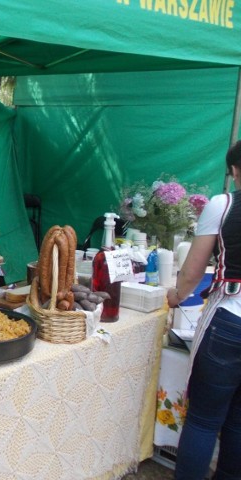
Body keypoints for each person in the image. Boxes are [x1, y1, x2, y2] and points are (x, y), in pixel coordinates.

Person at [167, 140, 241, 480]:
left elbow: (193, 270)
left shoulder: (223, 204)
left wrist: (175, 296)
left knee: (204, 419)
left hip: (230, 321)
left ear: (235, 170)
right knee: (239, 421)